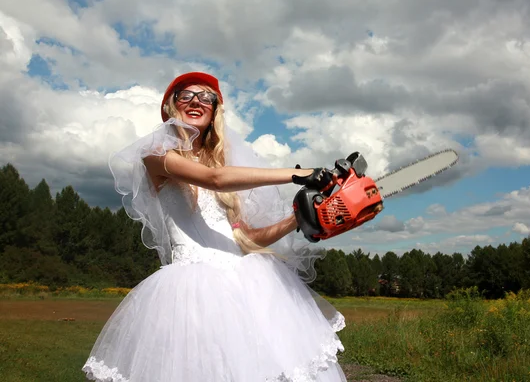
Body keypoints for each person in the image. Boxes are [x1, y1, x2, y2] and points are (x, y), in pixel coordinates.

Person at [82, 72, 347, 381]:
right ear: (171, 106)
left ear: (215, 112)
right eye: (186, 95)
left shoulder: (220, 167)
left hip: (252, 283)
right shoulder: (156, 155)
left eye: (206, 97)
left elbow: (246, 238)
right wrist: (302, 174)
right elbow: (214, 180)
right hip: (192, 289)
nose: (197, 101)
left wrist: (297, 220)